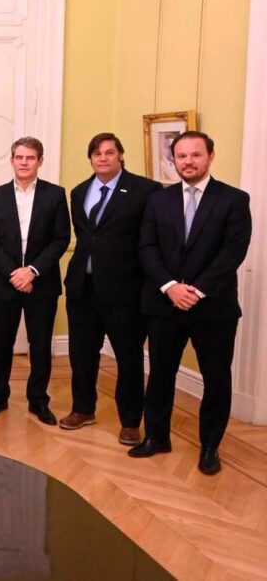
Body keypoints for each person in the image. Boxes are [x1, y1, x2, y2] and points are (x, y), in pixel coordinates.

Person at [129, 132, 251, 476]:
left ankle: (210, 447)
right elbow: (146, 247)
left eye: (195, 155)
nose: (188, 162)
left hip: (213, 307)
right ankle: (156, 438)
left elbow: (233, 251)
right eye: (181, 156)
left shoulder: (234, 199)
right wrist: (170, 287)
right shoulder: (158, 200)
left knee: (216, 378)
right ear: (174, 160)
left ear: (210, 156)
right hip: (164, 304)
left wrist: (197, 290)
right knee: (160, 374)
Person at [60, 133, 160, 445]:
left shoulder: (145, 190)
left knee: (128, 358)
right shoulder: (79, 191)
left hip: (124, 290)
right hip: (83, 288)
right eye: (97, 153)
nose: (102, 158)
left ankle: (130, 421)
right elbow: (86, 237)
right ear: (90, 158)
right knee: (82, 354)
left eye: (109, 152)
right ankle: (83, 409)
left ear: (120, 156)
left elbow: (150, 240)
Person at [0, 137, 69, 425]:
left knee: (40, 346)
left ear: (40, 161)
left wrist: (31, 270)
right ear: (11, 160)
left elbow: (61, 239)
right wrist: (14, 273)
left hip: (41, 284)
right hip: (3, 283)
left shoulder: (55, 195)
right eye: (19, 157)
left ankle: (38, 400)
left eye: (30, 158)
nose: (24, 162)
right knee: (1, 345)